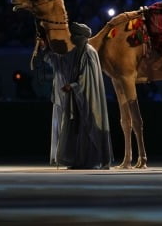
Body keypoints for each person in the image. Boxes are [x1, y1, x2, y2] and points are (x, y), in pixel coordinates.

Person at [42, 22, 113, 169]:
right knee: (76, 127)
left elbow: (87, 77)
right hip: (76, 97)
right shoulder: (77, 51)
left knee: (88, 126)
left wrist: (73, 86)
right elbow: (61, 64)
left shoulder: (88, 52)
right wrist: (46, 49)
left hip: (87, 97)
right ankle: (77, 160)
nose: (72, 39)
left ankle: (91, 160)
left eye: (74, 36)